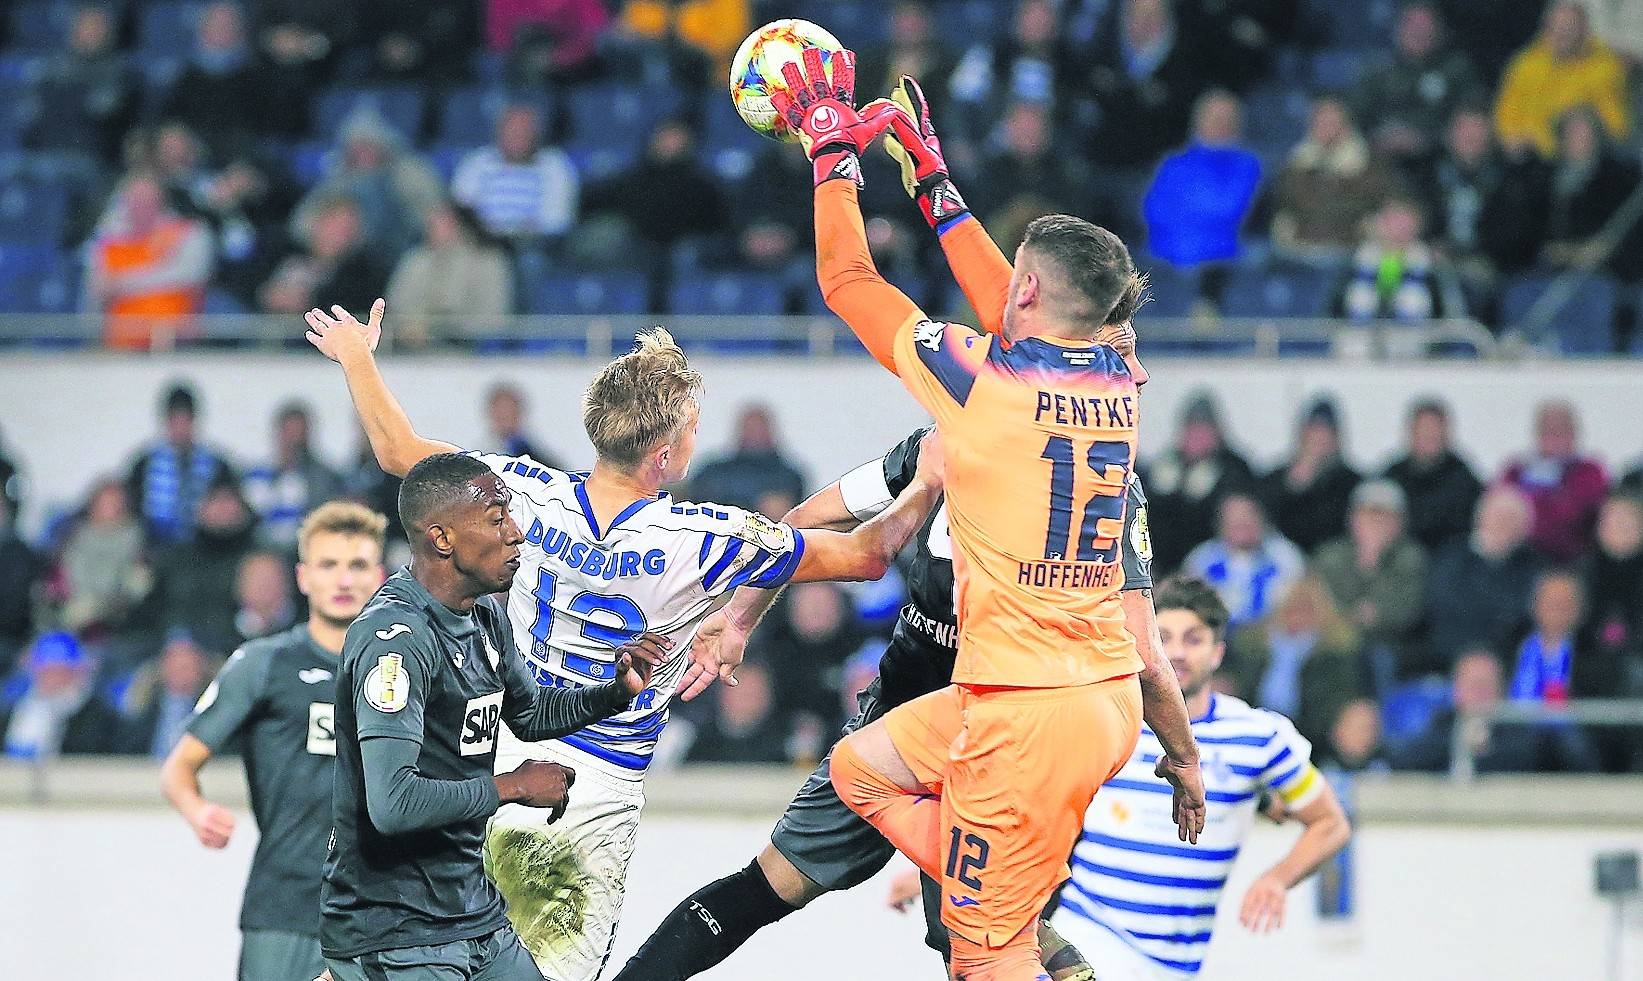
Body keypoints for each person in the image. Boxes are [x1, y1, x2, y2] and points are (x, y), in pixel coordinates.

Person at [305, 302, 946, 981]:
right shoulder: (707, 537)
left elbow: (396, 450)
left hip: (496, 756)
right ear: (665, 454)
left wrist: (357, 356)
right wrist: (925, 479)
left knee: (425, 951)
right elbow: (868, 554)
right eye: (692, 428)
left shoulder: (517, 491)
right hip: (591, 790)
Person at [771, 60, 1204, 980]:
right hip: (1092, 697)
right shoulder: (1118, 377)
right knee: (859, 767)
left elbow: (847, 279)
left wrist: (831, 156)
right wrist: (932, 181)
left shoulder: (985, 383)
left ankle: (999, 902)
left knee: (980, 959)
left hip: (1027, 712)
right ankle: (1003, 879)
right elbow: (1016, 307)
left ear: (1029, 292)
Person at [613, 423, 1160, 981]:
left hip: (994, 735)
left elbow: (825, 534)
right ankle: (1021, 921)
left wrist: (738, 617)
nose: (1134, 380)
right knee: (778, 885)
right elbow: (808, 522)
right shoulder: (953, 448)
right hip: (922, 721)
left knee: (970, 945)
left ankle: (1015, 919)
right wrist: (737, 617)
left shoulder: (1084, 474)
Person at [318, 453, 663, 981]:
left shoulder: (482, 617)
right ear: (442, 539)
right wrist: (515, 787)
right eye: (498, 519)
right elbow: (392, 803)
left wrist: (614, 694)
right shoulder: (396, 643)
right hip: (396, 928)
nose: (516, 534)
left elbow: (529, 712)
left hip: (471, 911)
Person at [1051, 576, 1351, 978]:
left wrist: (1278, 879)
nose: (1176, 652)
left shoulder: (1258, 736)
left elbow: (1330, 823)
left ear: (1217, 653)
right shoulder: (1111, 716)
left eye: (1193, 640)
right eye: (1163, 638)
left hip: (1179, 964)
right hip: (1089, 932)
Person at [160, 502, 389, 981]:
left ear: (380, 576)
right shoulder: (264, 664)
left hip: (382, 913)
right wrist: (198, 811)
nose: (343, 580)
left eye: (357, 565)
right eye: (328, 564)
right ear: (303, 577)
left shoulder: (406, 669)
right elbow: (179, 767)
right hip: (285, 908)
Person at [1222, 574, 1367, 751]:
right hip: (1254, 725)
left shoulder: (1336, 654)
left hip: (1316, 733)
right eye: (1291, 610)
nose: (1297, 617)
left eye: (1306, 611)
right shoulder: (1253, 648)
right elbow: (1240, 685)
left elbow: (1337, 700)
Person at [1390, 648, 1591, 773]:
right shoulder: (1443, 723)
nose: (1479, 692)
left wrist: (1484, 750)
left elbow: (1530, 759)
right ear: (1456, 690)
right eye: (1473, 684)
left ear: (1501, 690)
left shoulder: (1518, 730)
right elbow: (1405, 761)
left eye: (1486, 684)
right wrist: (1458, 742)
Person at [1141, 90, 1263, 287]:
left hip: (1220, 265)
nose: (1221, 124)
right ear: (1198, 120)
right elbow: (1153, 210)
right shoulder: (1174, 163)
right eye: (1215, 118)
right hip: (1164, 259)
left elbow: (1227, 210)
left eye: (1227, 119)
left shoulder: (1246, 165)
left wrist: (1184, 204)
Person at [1312, 480, 1429, 684]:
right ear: (1352, 519)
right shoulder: (1330, 555)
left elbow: (1406, 612)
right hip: (1330, 639)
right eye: (1368, 514)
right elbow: (1318, 600)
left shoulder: (1411, 558)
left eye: (1384, 516)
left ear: (1400, 522)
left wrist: (1372, 563)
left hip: (1389, 645)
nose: (1375, 523)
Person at [1351, 2, 1484, 180]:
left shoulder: (1456, 69)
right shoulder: (1376, 69)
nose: (1419, 32)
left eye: (1426, 26)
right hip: (1379, 159)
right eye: (1412, 25)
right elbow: (1353, 115)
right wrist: (1378, 138)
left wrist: (1426, 140)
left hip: (1441, 163)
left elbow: (1474, 115)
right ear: (1398, 29)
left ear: (1439, 31)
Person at [84, 172, 215, 350]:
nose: (139, 206)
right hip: (119, 344)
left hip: (174, 340)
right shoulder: (108, 240)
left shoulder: (189, 233)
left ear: (161, 201)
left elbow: (190, 275)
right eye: (133, 200)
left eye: (146, 200)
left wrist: (122, 284)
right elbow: (97, 288)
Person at [1268, 97, 1397, 265]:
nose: (1324, 128)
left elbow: (1373, 204)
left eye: (1331, 123)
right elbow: (1286, 204)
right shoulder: (1295, 165)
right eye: (1319, 123)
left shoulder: (1368, 165)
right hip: (1299, 248)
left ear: (1346, 126)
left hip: (1351, 250)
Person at [1426, 486, 1541, 670]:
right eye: (1498, 517)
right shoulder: (1453, 556)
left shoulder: (1533, 564)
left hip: (1508, 660)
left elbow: (1523, 613)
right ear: (1481, 518)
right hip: (1449, 657)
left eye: (1511, 520)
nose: (1503, 525)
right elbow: (1445, 603)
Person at [1142, 393, 1257, 575]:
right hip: (1160, 564)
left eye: (1204, 430)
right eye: (1192, 429)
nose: (1197, 436)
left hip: (1212, 566)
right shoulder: (1166, 465)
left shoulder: (1234, 468)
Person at [1495, 1, 1629, 157]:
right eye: (1555, 28)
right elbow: (1505, 116)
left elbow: (1617, 127)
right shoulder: (1525, 64)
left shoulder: (1605, 66)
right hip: (1532, 156)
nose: (1560, 35)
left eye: (1568, 29)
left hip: (1586, 157)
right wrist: (1516, 137)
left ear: (1584, 31)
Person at [1497, 400, 1609, 563]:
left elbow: (1571, 515)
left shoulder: (1589, 471)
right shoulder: (1516, 470)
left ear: (1573, 433)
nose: (1553, 437)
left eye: (1560, 430)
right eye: (1547, 430)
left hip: (1569, 560)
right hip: (1516, 560)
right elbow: (1498, 510)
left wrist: (1528, 509)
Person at [452, 104, 579, 246]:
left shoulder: (554, 166)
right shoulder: (475, 163)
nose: (518, 137)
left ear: (536, 135)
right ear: (498, 133)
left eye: (524, 132)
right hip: (482, 244)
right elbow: (462, 212)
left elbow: (557, 221)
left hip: (534, 246)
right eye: (512, 131)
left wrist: (519, 232)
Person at [125, 384, 235, 544]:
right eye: (175, 420)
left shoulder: (218, 466)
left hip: (206, 546)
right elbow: (132, 510)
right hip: (156, 546)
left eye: (185, 420)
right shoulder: (144, 465)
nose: (180, 427)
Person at [385, 202, 516, 337]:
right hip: (411, 345)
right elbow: (396, 306)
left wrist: (441, 330)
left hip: (468, 346)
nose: (433, 226)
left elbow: (492, 318)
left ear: (460, 224)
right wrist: (412, 327)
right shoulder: (416, 261)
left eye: (445, 221)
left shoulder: (489, 262)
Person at [1183, 493, 1306, 627]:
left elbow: (1298, 602)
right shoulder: (1202, 559)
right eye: (1234, 521)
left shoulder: (1285, 556)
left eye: (1247, 518)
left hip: (1270, 631)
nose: (1242, 524)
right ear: (1220, 524)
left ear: (1261, 521)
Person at [1339, 196, 1466, 322]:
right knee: (1361, 296)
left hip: (1406, 300)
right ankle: (1360, 326)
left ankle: (1409, 328)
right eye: (1394, 222)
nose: (1400, 228)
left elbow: (1418, 278)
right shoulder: (1369, 249)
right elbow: (1363, 276)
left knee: (1413, 298)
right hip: (1371, 297)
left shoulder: (1417, 251)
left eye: (1405, 224)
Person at [1258, 399, 1360, 555]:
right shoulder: (1274, 479)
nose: (1318, 438)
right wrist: (1296, 484)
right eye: (1313, 431)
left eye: (1325, 433)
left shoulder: (1351, 483)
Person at [1, 632, 125, 758]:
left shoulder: (99, 717)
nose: (51, 678)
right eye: (45, 671)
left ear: (77, 671)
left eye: (60, 671)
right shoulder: (17, 709)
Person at [1381, 398, 1481, 553]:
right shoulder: (1391, 477)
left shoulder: (1465, 481)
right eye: (1423, 428)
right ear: (1411, 432)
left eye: (1435, 428)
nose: (1429, 434)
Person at [242, 402, 343, 549]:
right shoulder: (254, 475)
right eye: (289, 432)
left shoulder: (325, 479)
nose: (294, 439)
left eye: (299, 433)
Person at [687, 404, 806, 517]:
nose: (754, 434)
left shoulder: (788, 477)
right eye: (750, 428)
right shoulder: (712, 472)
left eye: (758, 428)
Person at [482, 383, 558, 467]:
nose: (505, 416)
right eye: (500, 414)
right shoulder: (481, 453)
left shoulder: (534, 453)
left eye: (510, 412)